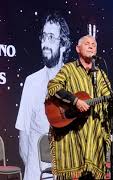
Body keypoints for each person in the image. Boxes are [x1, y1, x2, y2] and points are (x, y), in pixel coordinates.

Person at [47, 35, 113, 179]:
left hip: (93, 135)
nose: (91, 46)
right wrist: (75, 101)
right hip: (72, 134)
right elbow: (53, 86)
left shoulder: (100, 75)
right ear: (77, 49)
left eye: (94, 44)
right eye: (87, 43)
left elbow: (107, 99)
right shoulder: (68, 69)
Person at [15, 12, 71, 180]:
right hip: (35, 173)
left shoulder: (75, 82)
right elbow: (23, 137)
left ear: (63, 44)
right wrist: (33, 170)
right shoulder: (31, 82)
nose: (45, 43)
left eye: (51, 37)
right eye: (44, 37)